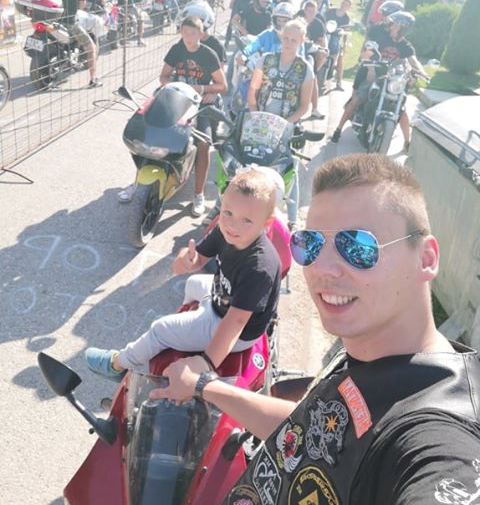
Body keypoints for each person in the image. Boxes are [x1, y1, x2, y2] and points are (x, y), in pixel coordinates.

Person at [149, 153, 480, 505]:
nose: (323, 268)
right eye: (311, 244)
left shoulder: (436, 434)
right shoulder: (369, 354)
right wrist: (206, 386)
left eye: (357, 246)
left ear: (426, 259)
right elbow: (313, 433)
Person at [85, 169, 282, 379]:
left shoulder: (259, 266)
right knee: (193, 282)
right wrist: (187, 261)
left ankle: (118, 364)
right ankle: (189, 323)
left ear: (266, 223)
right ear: (222, 204)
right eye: (228, 212)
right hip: (222, 300)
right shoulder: (225, 230)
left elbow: (236, 322)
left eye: (247, 220)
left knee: (160, 329)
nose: (233, 224)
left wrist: (206, 362)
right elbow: (198, 258)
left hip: (239, 331)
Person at [247, 19, 314, 230]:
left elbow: (304, 106)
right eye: (286, 38)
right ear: (281, 37)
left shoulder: (305, 69)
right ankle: (223, 205)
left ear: (302, 41)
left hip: (286, 126)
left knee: (290, 168)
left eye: (294, 40)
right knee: (247, 163)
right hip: (260, 122)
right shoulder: (266, 60)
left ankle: (292, 219)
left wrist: (286, 124)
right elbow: (253, 90)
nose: (288, 43)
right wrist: (255, 114)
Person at [331, 10, 427, 150]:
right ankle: (338, 129)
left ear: (402, 28)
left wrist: (421, 73)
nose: (391, 27)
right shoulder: (382, 38)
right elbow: (367, 54)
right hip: (376, 77)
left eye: (395, 25)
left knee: (402, 111)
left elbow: (413, 60)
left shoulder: (406, 46)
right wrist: (371, 69)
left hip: (393, 81)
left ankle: (407, 142)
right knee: (357, 99)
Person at [160, 16, 227, 216]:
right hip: (177, 100)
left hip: (199, 104)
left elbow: (223, 85)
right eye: (185, 32)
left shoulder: (208, 54)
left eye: (193, 33)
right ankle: (142, 184)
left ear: (201, 34)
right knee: (153, 129)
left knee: (203, 143)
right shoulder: (176, 50)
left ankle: (198, 194)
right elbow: (163, 76)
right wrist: (175, 85)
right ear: (180, 32)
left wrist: (204, 89)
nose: (188, 37)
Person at [49, 0, 101, 88]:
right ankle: (93, 79)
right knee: (91, 47)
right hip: (70, 22)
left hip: (54, 19)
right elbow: (82, 5)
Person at [297, 0, 328, 118]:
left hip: (311, 51)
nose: (310, 13)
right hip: (297, 49)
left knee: (312, 77)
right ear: (304, 10)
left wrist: (316, 47)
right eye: (308, 10)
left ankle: (315, 108)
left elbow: (321, 42)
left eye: (313, 11)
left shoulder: (318, 24)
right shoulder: (298, 20)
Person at [324, 0, 351, 91]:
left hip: (336, 37)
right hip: (325, 34)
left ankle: (339, 81)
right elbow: (323, 20)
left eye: (347, 5)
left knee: (340, 56)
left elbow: (346, 31)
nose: (344, 6)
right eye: (343, 3)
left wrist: (345, 44)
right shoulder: (331, 11)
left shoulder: (346, 18)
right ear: (341, 3)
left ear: (349, 8)